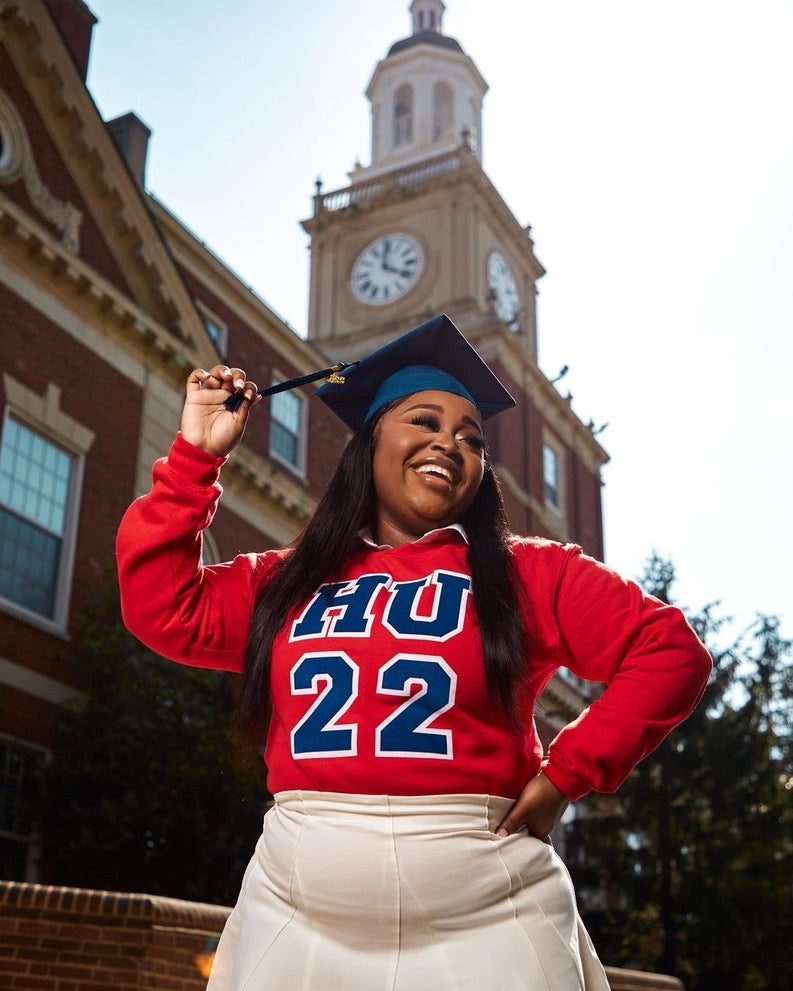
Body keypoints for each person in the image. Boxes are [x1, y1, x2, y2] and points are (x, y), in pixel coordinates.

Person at [116, 314, 712, 990]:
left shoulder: (528, 572)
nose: (450, 444)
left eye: (469, 436)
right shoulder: (286, 582)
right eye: (424, 421)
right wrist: (196, 457)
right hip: (298, 904)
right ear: (369, 443)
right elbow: (160, 606)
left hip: (487, 907)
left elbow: (670, 649)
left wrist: (566, 774)